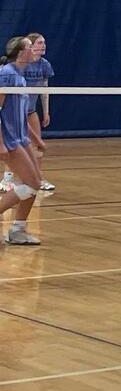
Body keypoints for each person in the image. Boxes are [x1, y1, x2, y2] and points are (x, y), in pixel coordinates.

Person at [0, 37, 44, 245]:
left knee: (35, 183)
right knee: (31, 184)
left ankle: (18, 230)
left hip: (22, 138)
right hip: (9, 139)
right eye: (29, 46)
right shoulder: (6, 75)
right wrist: (0, 143)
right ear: (19, 52)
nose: (34, 49)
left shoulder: (20, 76)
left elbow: (21, 114)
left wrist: (36, 139)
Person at [24, 33, 55, 191]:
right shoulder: (21, 64)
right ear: (31, 46)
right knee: (15, 145)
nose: (43, 45)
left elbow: (44, 90)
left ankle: (39, 178)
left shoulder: (45, 65)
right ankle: (7, 179)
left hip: (31, 111)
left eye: (44, 43)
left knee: (38, 145)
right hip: (15, 111)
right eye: (40, 43)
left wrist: (46, 112)